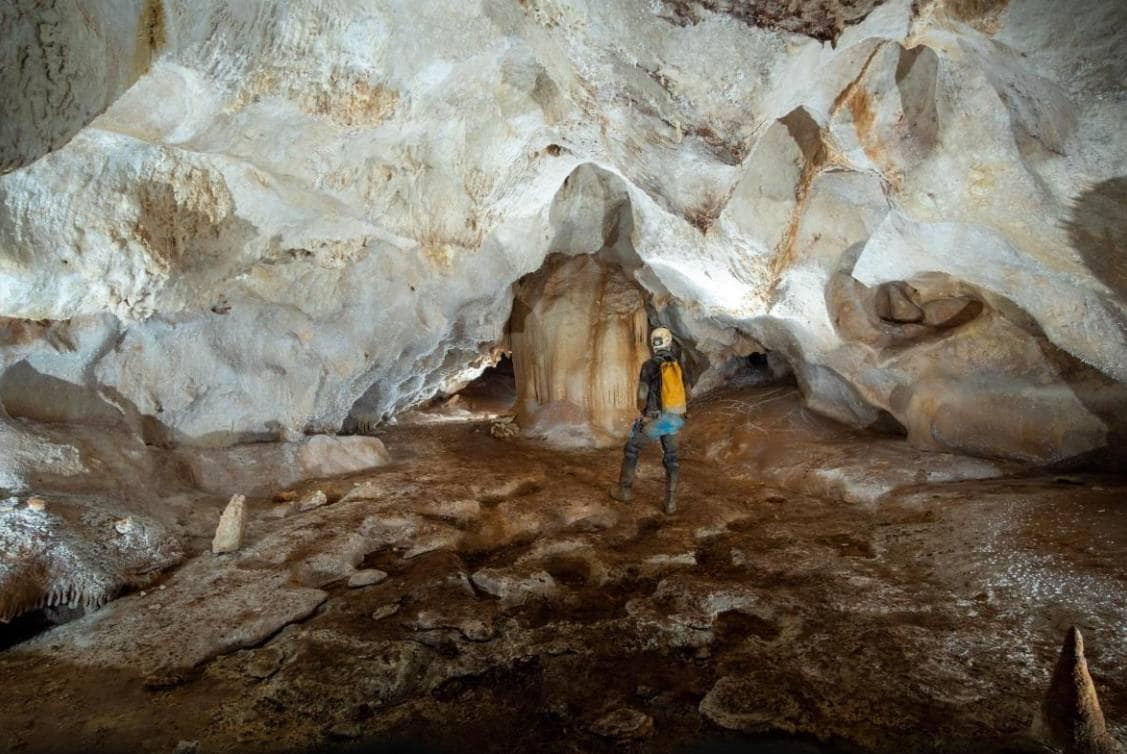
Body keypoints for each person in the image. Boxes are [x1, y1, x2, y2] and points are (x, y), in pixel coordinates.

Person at [608, 327, 688, 514]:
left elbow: (642, 394)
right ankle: (671, 503)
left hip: (656, 419)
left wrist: (643, 412)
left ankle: (624, 491)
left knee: (632, 448)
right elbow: (688, 393)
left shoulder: (650, 365)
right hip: (675, 418)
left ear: (653, 344)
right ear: (668, 342)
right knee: (672, 459)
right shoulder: (678, 366)